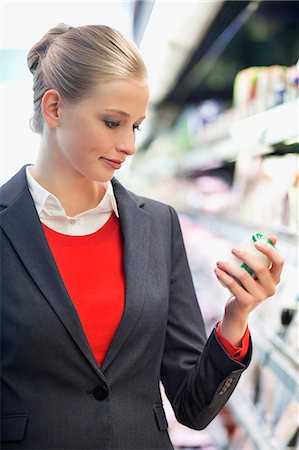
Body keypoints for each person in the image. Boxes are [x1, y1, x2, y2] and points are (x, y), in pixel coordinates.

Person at [0, 23, 284, 450]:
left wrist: (236, 317)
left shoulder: (158, 226)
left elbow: (192, 406)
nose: (129, 145)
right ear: (54, 108)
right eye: (113, 122)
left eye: (135, 126)